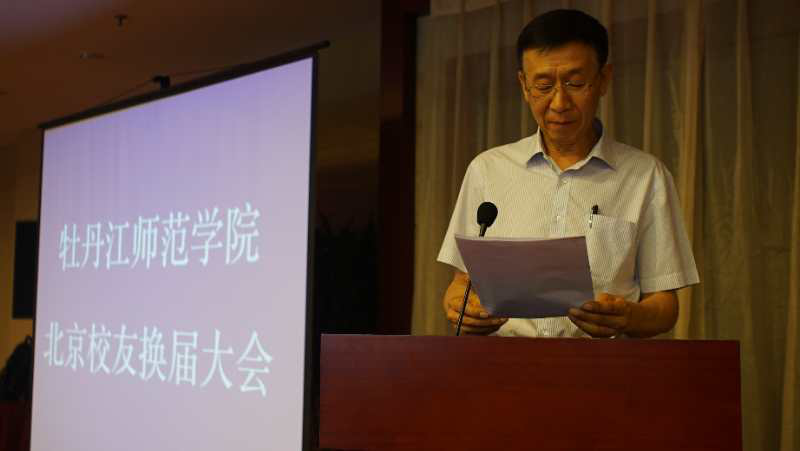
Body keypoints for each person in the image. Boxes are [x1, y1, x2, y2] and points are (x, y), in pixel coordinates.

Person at [437, 9, 699, 338]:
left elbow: (665, 304)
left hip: (601, 364)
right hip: (502, 362)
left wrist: (628, 316)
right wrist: (461, 307)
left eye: (575, 83)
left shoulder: (646, 176)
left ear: (603, 79)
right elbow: (461, 282)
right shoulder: (487, 169)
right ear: (523, 85)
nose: (559, 103)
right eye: (543, 86)